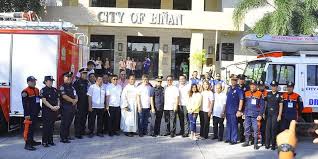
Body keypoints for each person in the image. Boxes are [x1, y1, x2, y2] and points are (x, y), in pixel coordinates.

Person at [241, 81, 264, 150]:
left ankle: (255, 143)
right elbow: (245, 105)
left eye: (254, 85)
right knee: (246, 128)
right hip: (247, 114)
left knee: (256, 129)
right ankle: (247, 141)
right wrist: (244, 113)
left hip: (255, 115)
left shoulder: (260, 94)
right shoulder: (246, 93)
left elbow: (262, 106)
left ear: (256, 86)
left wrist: (260, 114)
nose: (252, 87)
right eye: (251, 85)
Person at [21, 76, 41, 151]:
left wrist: (39, 109)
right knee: (28, 129)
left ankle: (31, 141)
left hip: (35, 113)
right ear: (28, 82)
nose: (34, 82)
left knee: (33, 128)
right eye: (32, 81)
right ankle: (27, 144)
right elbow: (25, 104)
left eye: (35, 81)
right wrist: (26, 115)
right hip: (29, 114)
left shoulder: (36, 90)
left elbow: (37, 101)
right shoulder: (25, 92)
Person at [40, 76, 60, 147]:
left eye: (52, 81)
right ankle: (44, 141)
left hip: (54, 111)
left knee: (52, 126)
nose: (51, 82)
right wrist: (51, 107)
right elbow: (44, 100)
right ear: (45, 81)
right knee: (46, 127)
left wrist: (58, 106)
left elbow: (58, 99)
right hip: (47, 111)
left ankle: (50, 140)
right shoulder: (43, 90)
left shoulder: (54, 90)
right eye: (49, 81)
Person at [225, 74, 244, 145]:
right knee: (228, 124)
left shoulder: (239, 90)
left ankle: (234, 139)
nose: (233, 81)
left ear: (237, 81)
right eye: (232, 80)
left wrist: (239, 110)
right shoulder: (229, 89)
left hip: (234, 110)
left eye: (235, 80)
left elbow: (241, 100)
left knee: (234, 125)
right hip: (228, 110)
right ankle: (228, 138)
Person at [60, 72, 78, 143]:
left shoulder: (72, 86)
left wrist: (76, 99)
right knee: (64, 123)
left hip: (72, 107)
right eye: (67, 77)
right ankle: (63, 138)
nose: (69, 79)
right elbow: (64, 96)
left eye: (70, 77)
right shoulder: (62, 87)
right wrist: (73, 100)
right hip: (65, 107)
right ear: (64, 78)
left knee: (69, 122)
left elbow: (75, 94)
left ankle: (67, 135)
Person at [265, 81, 283, 150]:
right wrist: (264, 112)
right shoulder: (268, 94)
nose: (273, 87)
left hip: (275, 114)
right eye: (272, 86)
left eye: (275, 86)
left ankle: (273, 145)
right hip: (269, 114)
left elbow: (281, 105)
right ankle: (267, 144)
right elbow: (265, 104)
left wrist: (279, 115)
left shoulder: (279, 95)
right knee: (268, 129)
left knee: (273, 129)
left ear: (277, 87)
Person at [73, 68, 89, 139]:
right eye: (83, 73)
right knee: (78, 118)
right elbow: (74, 93)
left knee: (84, 117)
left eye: (86, 74)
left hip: (85, 102)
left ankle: (82, 130)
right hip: (79, 103)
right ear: (80, 74)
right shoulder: (77, 82)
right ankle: (77, 132)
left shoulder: (86, 82)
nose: (85, 75)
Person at [237, 74, 249, 143]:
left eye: (242, 79)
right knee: (235, 123)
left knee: (242, 124)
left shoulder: (247, 88)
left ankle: (242, 138)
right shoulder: (235, 87)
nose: (241, 80)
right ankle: (235, 137)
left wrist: (244, 111)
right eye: (240, 79)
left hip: (244, 108)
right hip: (236, 108)